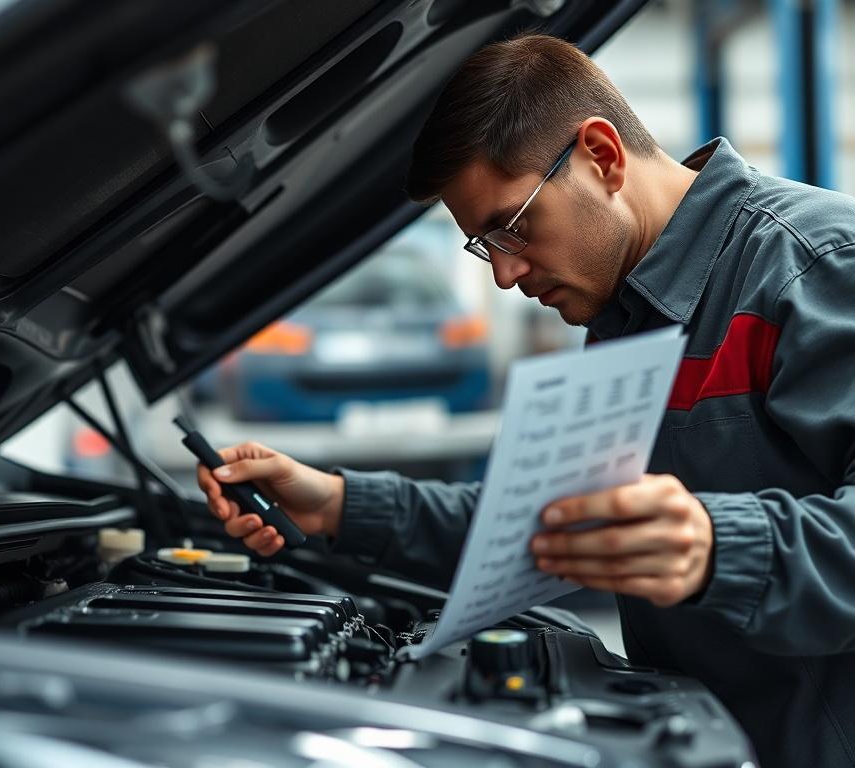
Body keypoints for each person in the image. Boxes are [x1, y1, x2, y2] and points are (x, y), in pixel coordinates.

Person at [195, 34, 855, 768]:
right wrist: (338, 504)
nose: (505, 275)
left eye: (511, 226)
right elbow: (544, 524)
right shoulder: (623, 317)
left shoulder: (814, 266)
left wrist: (715, 547)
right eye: (484, 245)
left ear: (601, 156)